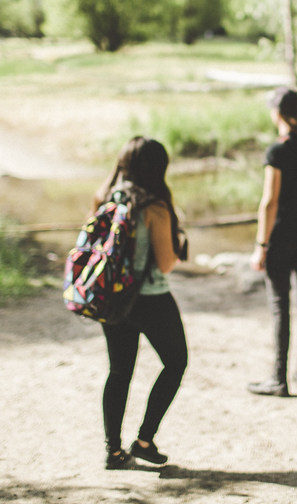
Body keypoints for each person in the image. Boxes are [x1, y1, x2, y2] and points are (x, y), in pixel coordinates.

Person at [92, 137, 188, 469]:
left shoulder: (105, 197)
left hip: (112, 299)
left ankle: (113, 450)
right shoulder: (154, 207)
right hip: (150, 299)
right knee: (176, 363)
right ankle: (144, 440)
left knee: (118, 371)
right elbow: (165, 264)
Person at [248, 87, 297, 397]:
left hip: (280, 237)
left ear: (277, 113)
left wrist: (261, 245)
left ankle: (279, 379)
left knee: (281, 306)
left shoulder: (276, 151)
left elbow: (269, 201)